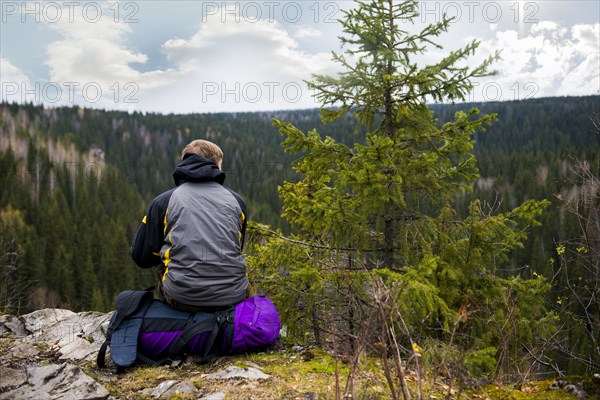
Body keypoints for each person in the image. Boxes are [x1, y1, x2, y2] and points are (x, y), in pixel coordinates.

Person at [131, 139, 249, 312]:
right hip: (234, 296)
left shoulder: (163, 201)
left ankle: (173, 318)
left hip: (182, 299)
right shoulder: (237, 201)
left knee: (163, 255)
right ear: (216, 165)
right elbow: (237, 247)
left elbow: (140, 256)